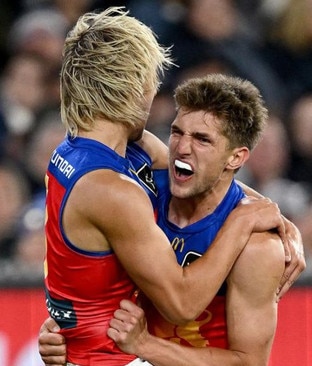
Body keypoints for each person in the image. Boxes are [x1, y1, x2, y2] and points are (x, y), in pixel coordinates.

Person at [43, 8, 298, 365]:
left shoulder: (86, 150)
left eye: (201, 138)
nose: (155, 91)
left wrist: (279, 221)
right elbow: (181, 304)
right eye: (177, 132)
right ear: (133, 86)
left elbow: (208, 179)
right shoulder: (115, 190)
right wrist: (243, 222)